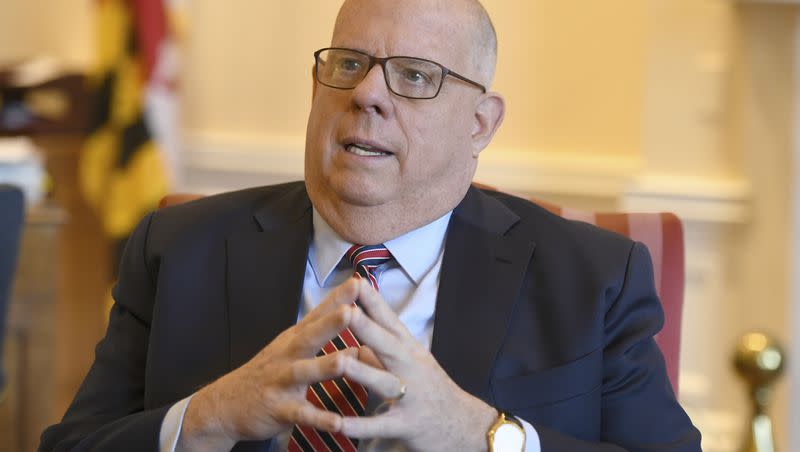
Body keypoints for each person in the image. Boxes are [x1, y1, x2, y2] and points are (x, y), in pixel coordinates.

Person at [40, 0, 702, 451]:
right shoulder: (179, 249)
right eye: (349, 64)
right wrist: (209, 417)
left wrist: (483, 435)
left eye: (414, 76)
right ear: (316, 88)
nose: (367, 94)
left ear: (480, 125)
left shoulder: (590, 278)